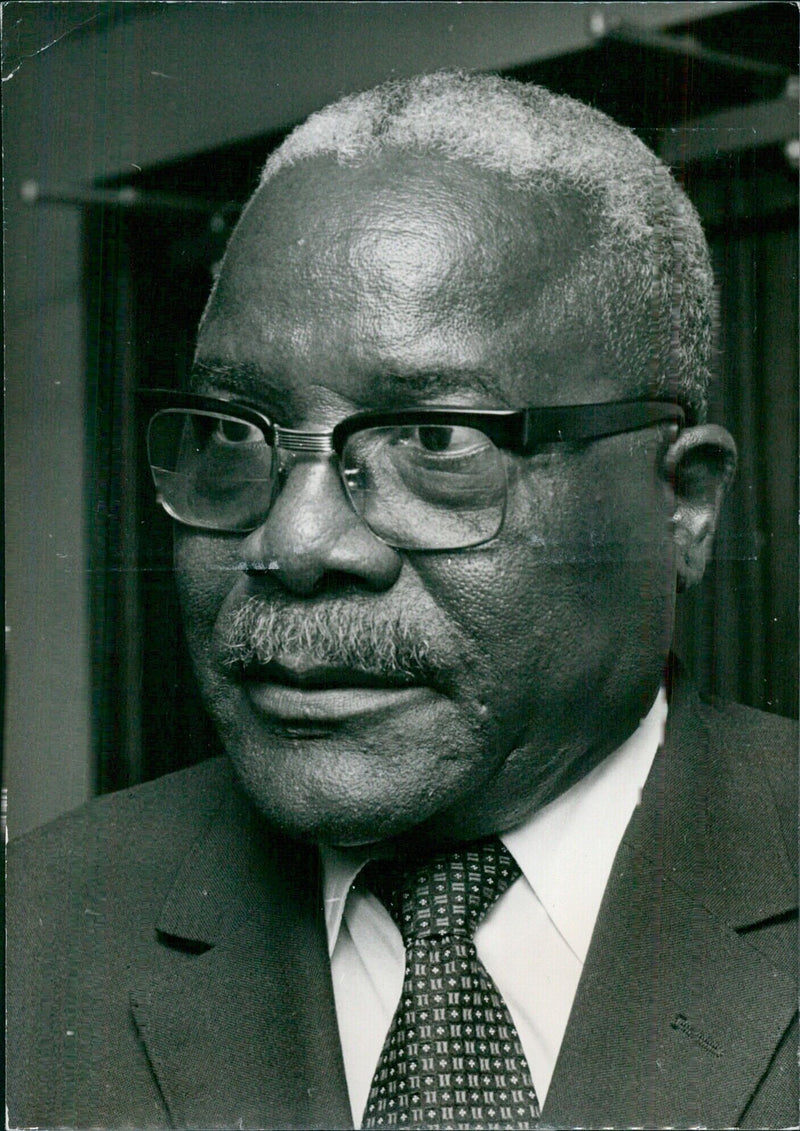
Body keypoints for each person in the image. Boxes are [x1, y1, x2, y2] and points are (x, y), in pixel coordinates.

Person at [8, 72, 797, 1131]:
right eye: (235, 432)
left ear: (682, 504)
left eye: (433, 439)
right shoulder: (34, 933)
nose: (293, 541)